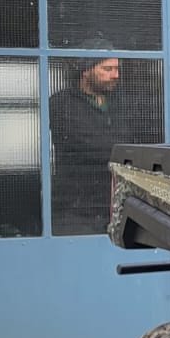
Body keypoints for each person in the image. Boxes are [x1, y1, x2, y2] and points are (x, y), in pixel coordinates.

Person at [50, 57, 122, 234]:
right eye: (107, 69)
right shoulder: (62, 102)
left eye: (117, 69)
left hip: (116, 202)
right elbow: (87, 144)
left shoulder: (121, 103)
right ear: (86, 71)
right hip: (76, 205)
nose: (115, 75)